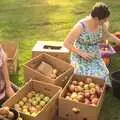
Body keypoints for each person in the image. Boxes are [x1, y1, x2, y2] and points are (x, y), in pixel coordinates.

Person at [64, 2, 120, 86]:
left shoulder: (102, 25)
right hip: (80, 54)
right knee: (84, 76)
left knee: (103, 76)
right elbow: (66, 43)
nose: (106, 21)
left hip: (94, 54)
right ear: (97, 18)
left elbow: (107, 36)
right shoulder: (80, 26)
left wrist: (118, 41)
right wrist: (82, 53)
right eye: (104, 19)